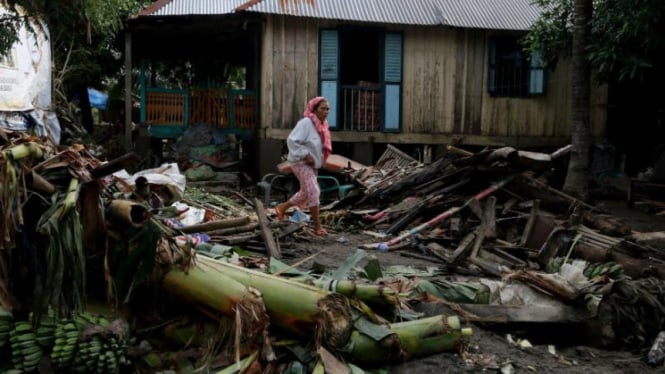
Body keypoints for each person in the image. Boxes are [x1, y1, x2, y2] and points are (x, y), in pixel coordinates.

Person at [274, 96, 332, 236]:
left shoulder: (323, 125)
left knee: (305, 193)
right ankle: (317, 227)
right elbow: (292, 140)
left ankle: (281, 208)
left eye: (327, 109)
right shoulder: (306, 122)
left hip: (312, 164)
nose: (325, 112)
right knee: (314, 190)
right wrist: (306, 154)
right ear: (314, 109)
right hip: (300, 162)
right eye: (322, 109)